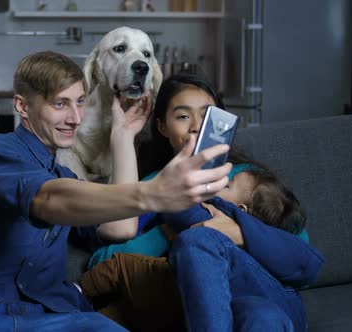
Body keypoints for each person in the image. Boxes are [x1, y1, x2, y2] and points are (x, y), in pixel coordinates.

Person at [0, 52, 233, 331]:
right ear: (22, 106)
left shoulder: (65, 177)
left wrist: (122, 135)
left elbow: (121, 227)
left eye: (80, 103)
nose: (75, 118)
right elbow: (48, 199)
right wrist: (153, 193)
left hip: (52, 316)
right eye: (60, 104)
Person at [83, 74, 325, 332]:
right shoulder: (155, 187)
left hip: (269, 291)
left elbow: (302, 262)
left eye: (207, 115)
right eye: (183, 116)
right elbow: (103, 262)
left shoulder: (246, 178)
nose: (196, 126)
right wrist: (174, 226)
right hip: (206, 308)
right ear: (163, 127)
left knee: (206, 249)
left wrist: (237, 231)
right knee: (261, 317)